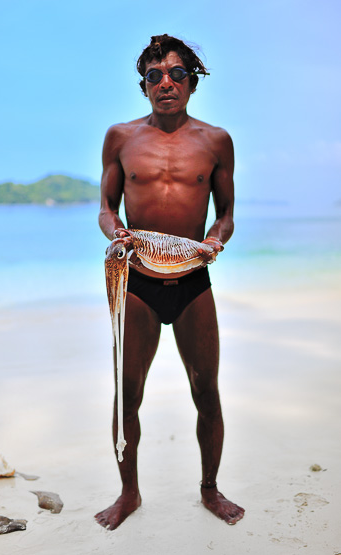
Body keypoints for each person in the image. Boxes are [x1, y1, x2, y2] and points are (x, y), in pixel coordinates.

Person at [95, 34, 245, 530]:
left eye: (176, 74)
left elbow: (225, 215)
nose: (166, 83)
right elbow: (106, 209)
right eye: (155, 76)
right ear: (143, 86)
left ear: (192, 82)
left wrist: (215, 241)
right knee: (127, 393)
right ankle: (129, 493)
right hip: (138, 281)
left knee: (207, 390)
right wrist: (117, 234)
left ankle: (210, 489)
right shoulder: (120, 137)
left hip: (192, 282)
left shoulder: (215, 141)